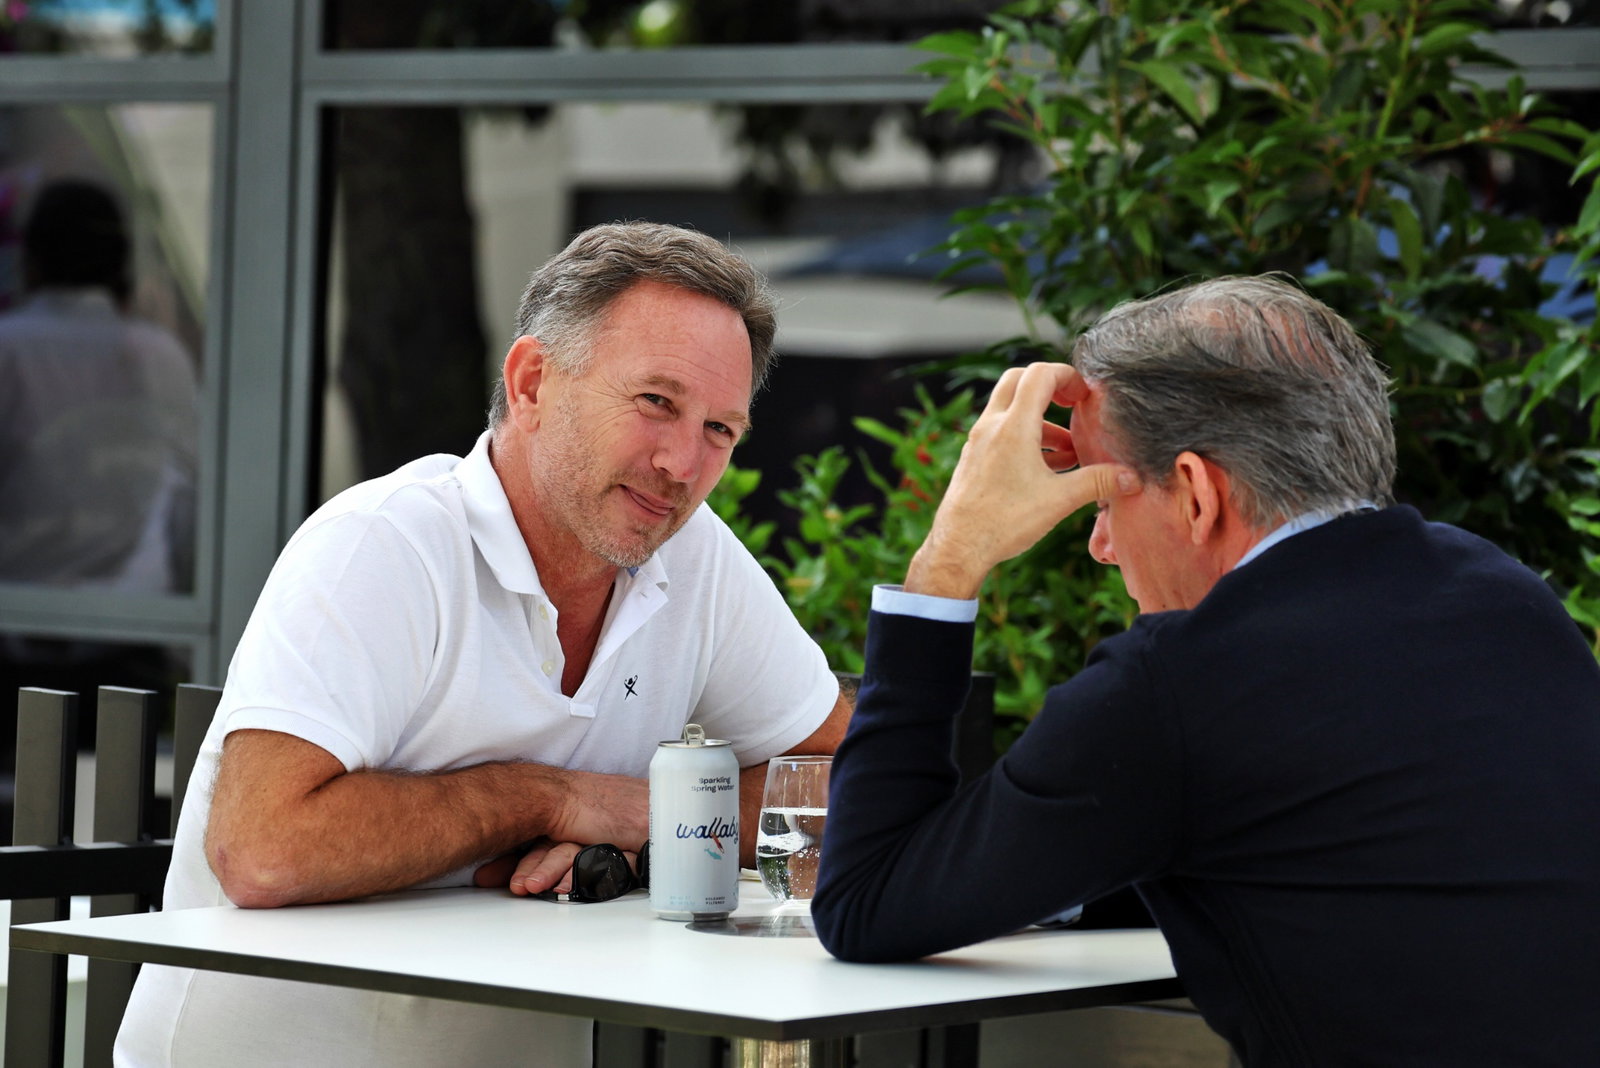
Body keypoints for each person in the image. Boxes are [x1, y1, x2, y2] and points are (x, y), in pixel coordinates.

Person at [811, 276, 1600, 1065]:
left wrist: (949, 558)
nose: (1101, 546)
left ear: (1195, 493)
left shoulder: (1176, 687)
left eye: (1101, 504)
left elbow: (863, 901)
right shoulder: (1508, 599)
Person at [116, 222, 851, 1066]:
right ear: (534, 382)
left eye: (721, 430)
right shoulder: (386, 543)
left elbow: (844, 767)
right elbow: (263, 851)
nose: (683, 464)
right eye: (656, 401)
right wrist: (546, 799)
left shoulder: (696, 557)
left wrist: (654, 822)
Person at [0, 179, 199, 779]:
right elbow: (191, 498)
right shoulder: (157, 353)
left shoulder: (10, 348)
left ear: (31, 258)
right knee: (113, 822)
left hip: (19, 640)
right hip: (132, 639)